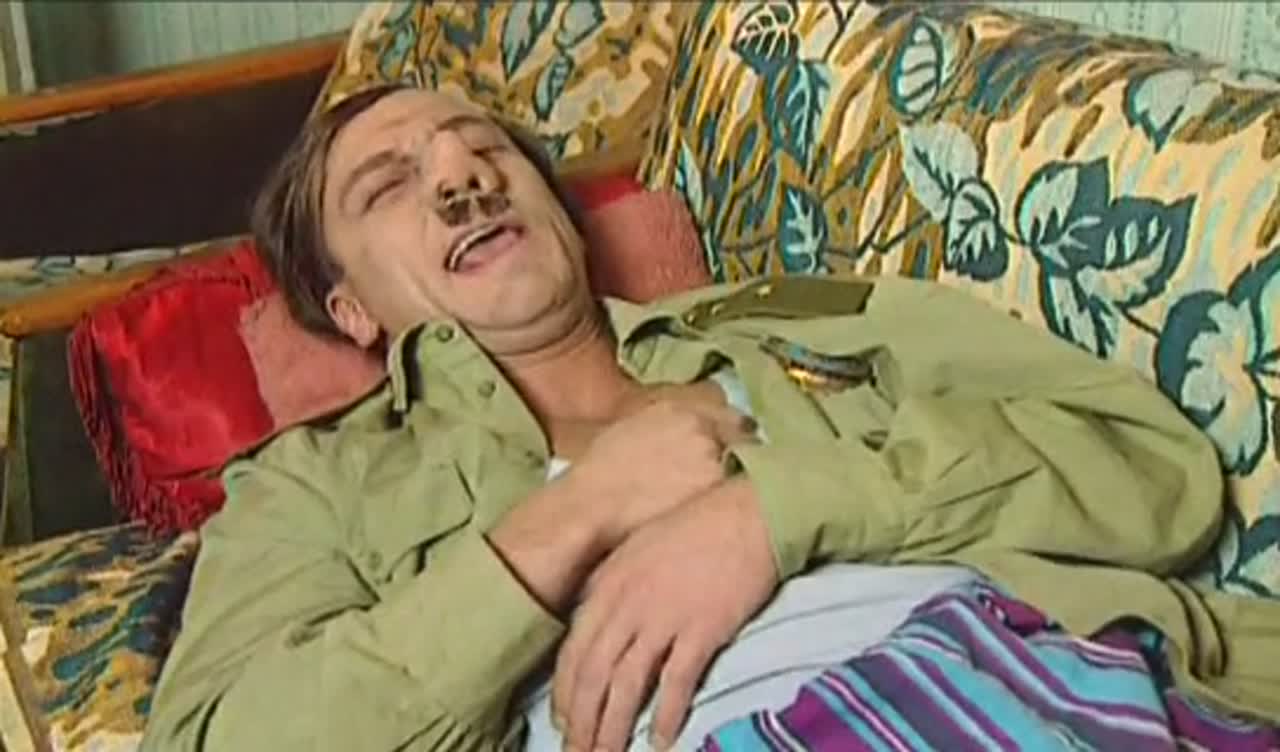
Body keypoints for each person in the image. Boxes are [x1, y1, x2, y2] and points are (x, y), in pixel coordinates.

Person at [141, 83, 1246, 752]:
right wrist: (575, 518)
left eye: (488, 151)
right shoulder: (313, 485)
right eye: (388, 186)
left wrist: (776, 510)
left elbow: (1151, 466)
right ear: (348, 309)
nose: (462, 181)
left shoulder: (798, 317)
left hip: (1038, 686)